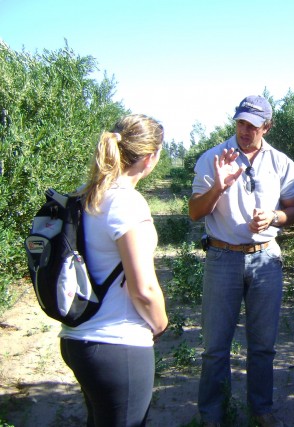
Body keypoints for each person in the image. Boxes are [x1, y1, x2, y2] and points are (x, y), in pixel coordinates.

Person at [189, 95, 294, 427]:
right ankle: (212, 415)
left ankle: (261, 410)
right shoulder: (213, 158)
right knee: (215, 347)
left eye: (253, 125)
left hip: (266, 259)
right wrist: (219, 187)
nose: (245, 131)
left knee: (263, 345)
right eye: (241, 123)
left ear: (267, 126)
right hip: (222, 256)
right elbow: (195, 212)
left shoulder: (282, 163)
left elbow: (293, 210)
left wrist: (275, 216)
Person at [59, 114, 169, 426]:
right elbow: (143, 289)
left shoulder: (84, 195)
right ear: (150, 158)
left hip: (77, 338)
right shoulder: (126, 203)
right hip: (117, 344)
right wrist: (161, 324)